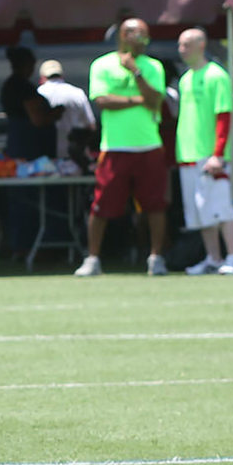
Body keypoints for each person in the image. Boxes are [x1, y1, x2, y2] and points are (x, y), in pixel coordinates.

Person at [74, 18, 169, 277]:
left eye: (145, 35)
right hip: (115, 147)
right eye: (135, 34)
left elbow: (154, 101)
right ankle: (92, 259)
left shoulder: (153, 67)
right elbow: (103, 100)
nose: (141, 39)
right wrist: (136, 99)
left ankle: (156, 258)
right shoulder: (102, 65)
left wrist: (135, 72)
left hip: (149, 146)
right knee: (102, 204)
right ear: (123, 36)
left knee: (155, 205)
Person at [175, 29, 233, 276]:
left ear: (201, 45)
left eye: (186, 44)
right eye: (180, 45)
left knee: (222, 208)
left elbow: (224, 115)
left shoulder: (217, 75)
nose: (181, 49)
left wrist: (218, 153)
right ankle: (214, 258)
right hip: (188, 155)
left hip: (210, 155)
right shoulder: (185, 79)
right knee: (200, 212)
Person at [0, 46, 59, 161]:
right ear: (25, 64)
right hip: (30, 150)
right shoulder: (22, 87)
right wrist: (55, 114)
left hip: (21, 145)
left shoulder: (13, 85)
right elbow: (38, 119)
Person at [37, 59, 95, 167]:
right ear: (61, 75)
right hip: (75, 156)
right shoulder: (77, 93)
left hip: (47, 158)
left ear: (43, 77)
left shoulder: (39, 94)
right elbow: (91, 125)